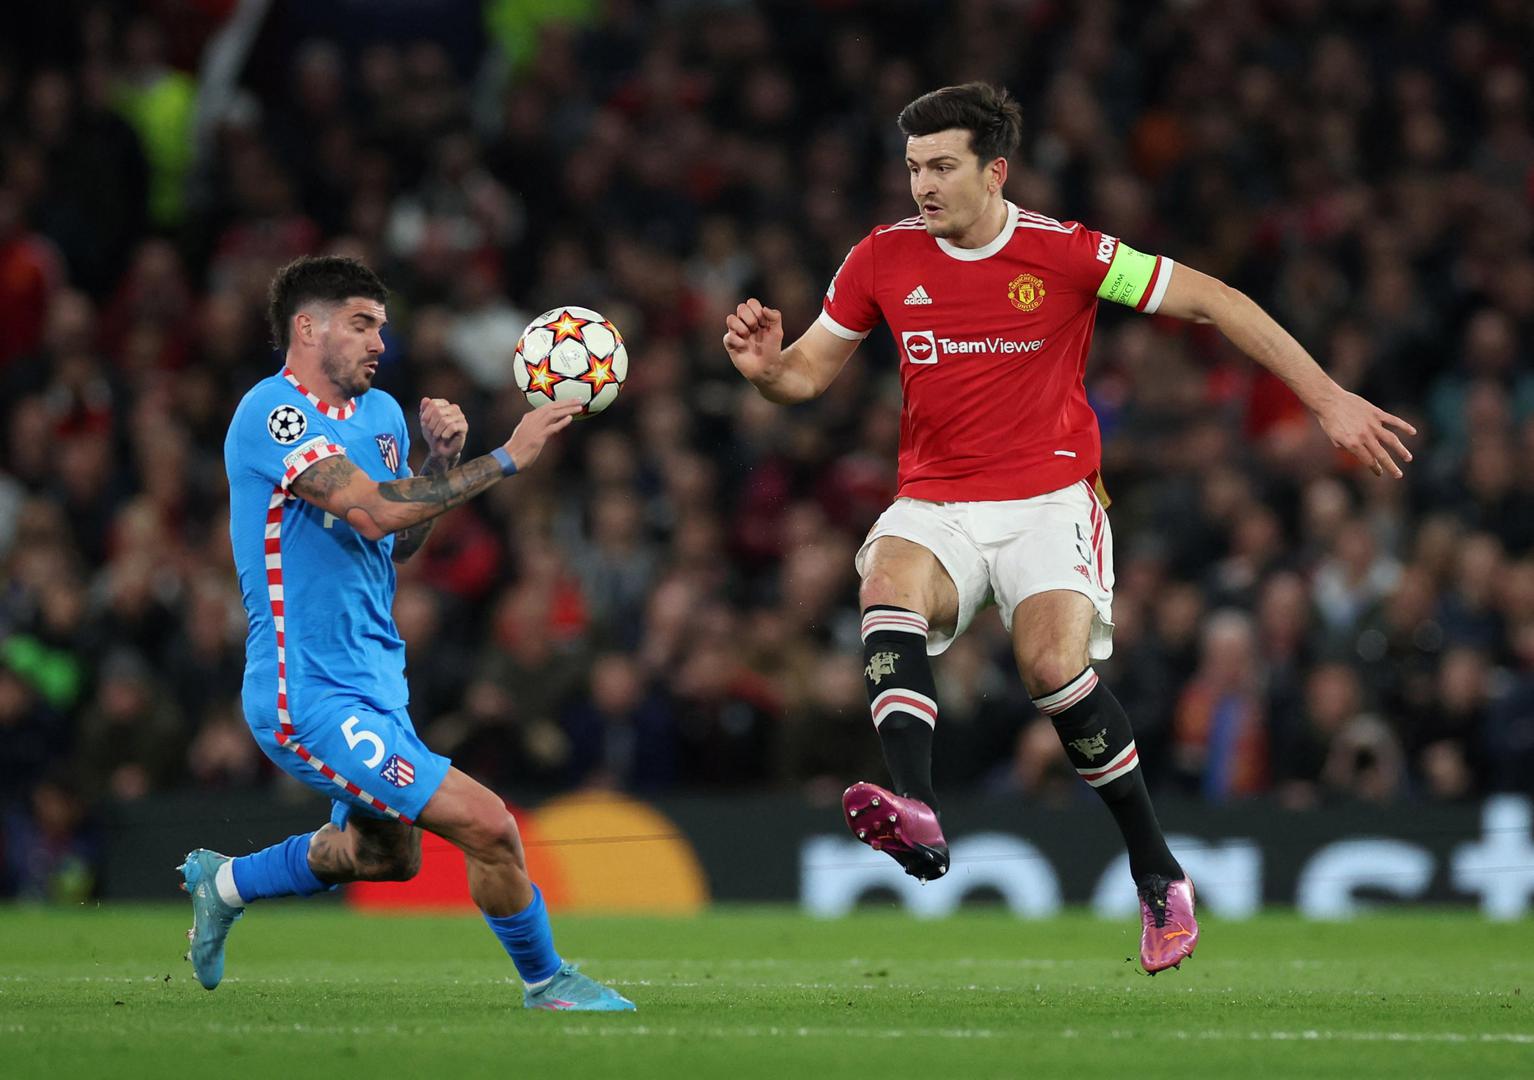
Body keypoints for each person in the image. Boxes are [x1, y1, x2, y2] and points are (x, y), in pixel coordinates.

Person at [722, 83, 1415, 972]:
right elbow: (804, 377)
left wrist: (1327, 400)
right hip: (936, 500)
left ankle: (1157, 872)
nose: (922, 185)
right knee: (885, 583)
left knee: (1051, 667)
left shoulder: (1069, 252)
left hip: (1049, 500)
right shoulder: (881, 258)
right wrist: (764, 368)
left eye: (942, 166)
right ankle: (918, 808)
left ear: (995, 172)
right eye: (913, 167)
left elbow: (1214, 300)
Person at [183, 255, 633, 1011]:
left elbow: (395, 542)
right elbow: (373, 511)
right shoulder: (271, 414)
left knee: (386, 856)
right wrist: (505, 458)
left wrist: (440, 461)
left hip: (376, 684)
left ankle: (224, 883)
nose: (379, 342)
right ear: (307, 328)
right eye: (362, 324)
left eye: (382, 327)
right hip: (306, 692)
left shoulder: (383, 416)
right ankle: (547, 981)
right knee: (489, 825)